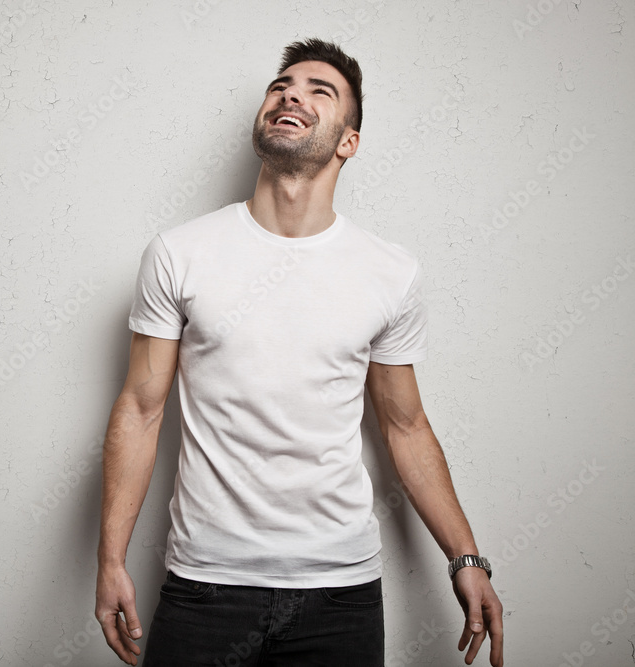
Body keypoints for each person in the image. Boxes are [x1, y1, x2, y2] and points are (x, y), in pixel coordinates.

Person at [95, 37, 504, 667]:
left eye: (321, 91)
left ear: (348, 141)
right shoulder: (181, 253)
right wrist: (111, 560)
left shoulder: (389, 272)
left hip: (341, 594)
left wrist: (466, 557)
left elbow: (406, 425)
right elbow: (141, 409)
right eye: (282, 86)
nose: (292, 95)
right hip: (206, 586)